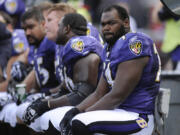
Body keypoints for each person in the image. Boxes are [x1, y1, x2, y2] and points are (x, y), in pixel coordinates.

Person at [60, 5, 161, 135]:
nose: (106, 28)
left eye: (111, 23)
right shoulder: (109, 47)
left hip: (138, 116)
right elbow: (99, 93)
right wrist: (75, 110)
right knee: (67, 119)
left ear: (126, 22)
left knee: (79, 124)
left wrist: (83, 113)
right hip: (118, 112)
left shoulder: (134, 42)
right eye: (103, 24)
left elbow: (117, 95)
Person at [21, 13, 103, 134]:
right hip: (93, 101)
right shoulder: (68, 47)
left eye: (59, 26)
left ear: (66, 29)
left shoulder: (77, 46)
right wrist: (44, 100)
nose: (57, 29)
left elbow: (83, 93)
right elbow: (67, 87)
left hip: (99, 103)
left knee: (49, 119)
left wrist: (47, 105)